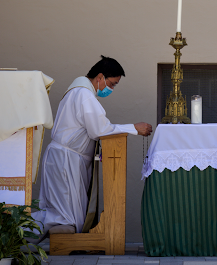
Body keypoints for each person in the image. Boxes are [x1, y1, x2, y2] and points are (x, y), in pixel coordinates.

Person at [32, 56, 152, 238]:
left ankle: (45, 239)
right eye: (112, 84)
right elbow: (100, 130)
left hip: (67, 159)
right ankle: (17, 233)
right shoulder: (84, 95)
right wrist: (133, 128)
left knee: (66, 213)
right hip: (66, 160)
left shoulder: (78, 92)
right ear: (100, 77)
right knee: (63, 215)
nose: (111, 89)